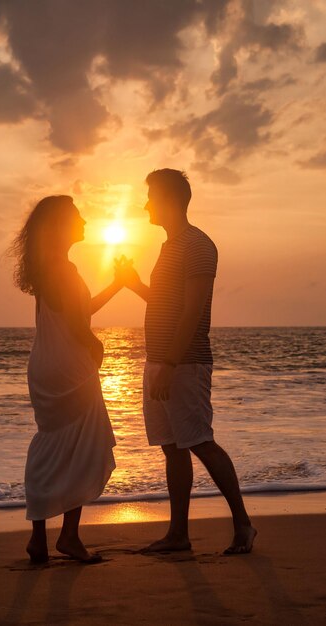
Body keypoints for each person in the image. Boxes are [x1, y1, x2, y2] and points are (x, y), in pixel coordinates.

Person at [116, 169, 257, 555]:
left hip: (185, 364)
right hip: (162, 362)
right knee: (173, 447)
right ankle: (178, 535)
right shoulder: (169, 246)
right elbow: (166, 304)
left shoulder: (198, 244)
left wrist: (170, 362)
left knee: (200, 442)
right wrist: (132, 282)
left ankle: (244, 525)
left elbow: (193, 311)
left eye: (151, 196)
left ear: (170, 200)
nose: (146, 204)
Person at [10, 195, 119, 564]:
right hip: (70, 365)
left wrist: (117, 284)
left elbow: (77, 311)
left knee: (49, 445)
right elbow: (77, 322)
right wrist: (95, 342)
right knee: (86, 444)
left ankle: (39, 539)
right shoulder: (64, 269)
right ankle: (69, 536)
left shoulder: (47, 267)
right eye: (77, 215)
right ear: (61, 225)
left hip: (44, 365)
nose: (84, 219)